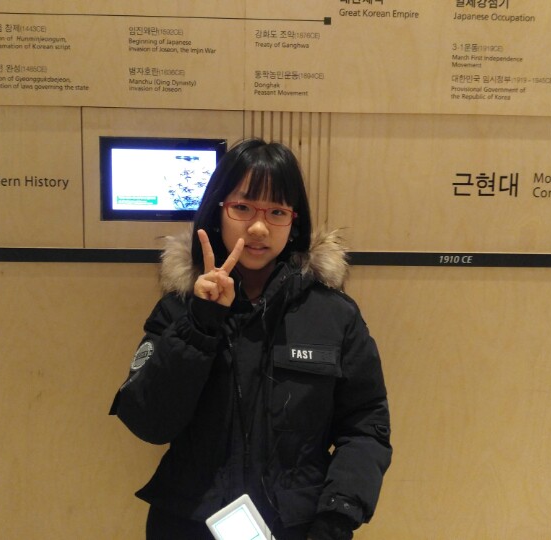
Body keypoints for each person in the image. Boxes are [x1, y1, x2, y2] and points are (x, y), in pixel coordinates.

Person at [110, 138, 391, 540]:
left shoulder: (334, 314)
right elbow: (149, 422)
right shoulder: (179, 310)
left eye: (276, 211)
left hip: (299, 527)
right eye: (242, 208)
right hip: (189, 523)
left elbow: (365, 425)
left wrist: (337, 516)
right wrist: (202, 324)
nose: (259, 228)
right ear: (218, 211)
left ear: (294, 221)